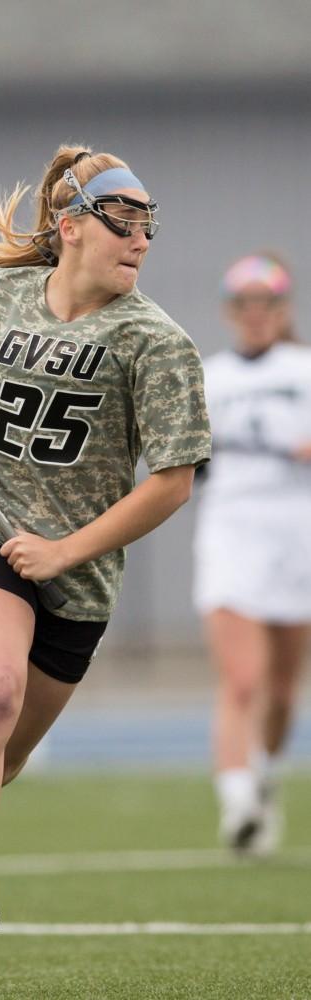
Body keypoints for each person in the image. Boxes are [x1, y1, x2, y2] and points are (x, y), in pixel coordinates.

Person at [0, 144, 211, 970]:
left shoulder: (156, 343)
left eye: (147, 225)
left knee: (6, 750)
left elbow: (171, 484)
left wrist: (65, 552)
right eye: (122, 221)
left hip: (77, 569)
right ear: (70, 228)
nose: (140, 240)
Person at [192, 253, 311, 855]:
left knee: (284, 691)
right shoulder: (207, 376)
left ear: (282, 309)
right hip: (232, 534)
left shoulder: (305, 369)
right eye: (245, 305)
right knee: (243, 679)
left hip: (298, 536)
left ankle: (264, 774)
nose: (256, 315)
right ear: (231, 312)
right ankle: (237, 800)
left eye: (267, 303)